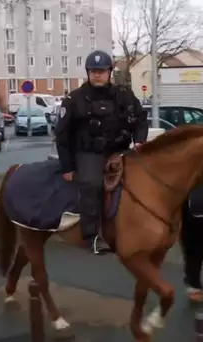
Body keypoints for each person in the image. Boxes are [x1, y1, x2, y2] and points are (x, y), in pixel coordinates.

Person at [54, 50, 148, 254]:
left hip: (120, 149)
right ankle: (93, 236)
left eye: (102, 71)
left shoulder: (124, 95)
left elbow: (140, 118)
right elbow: (62, 135)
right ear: (88, 73)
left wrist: (140, 140)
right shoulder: (74, 99)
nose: (97, 75)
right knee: (92, 185)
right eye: (93, 71)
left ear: (109, 72)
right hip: (89, 153)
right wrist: (67, 166)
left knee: (143, 179)